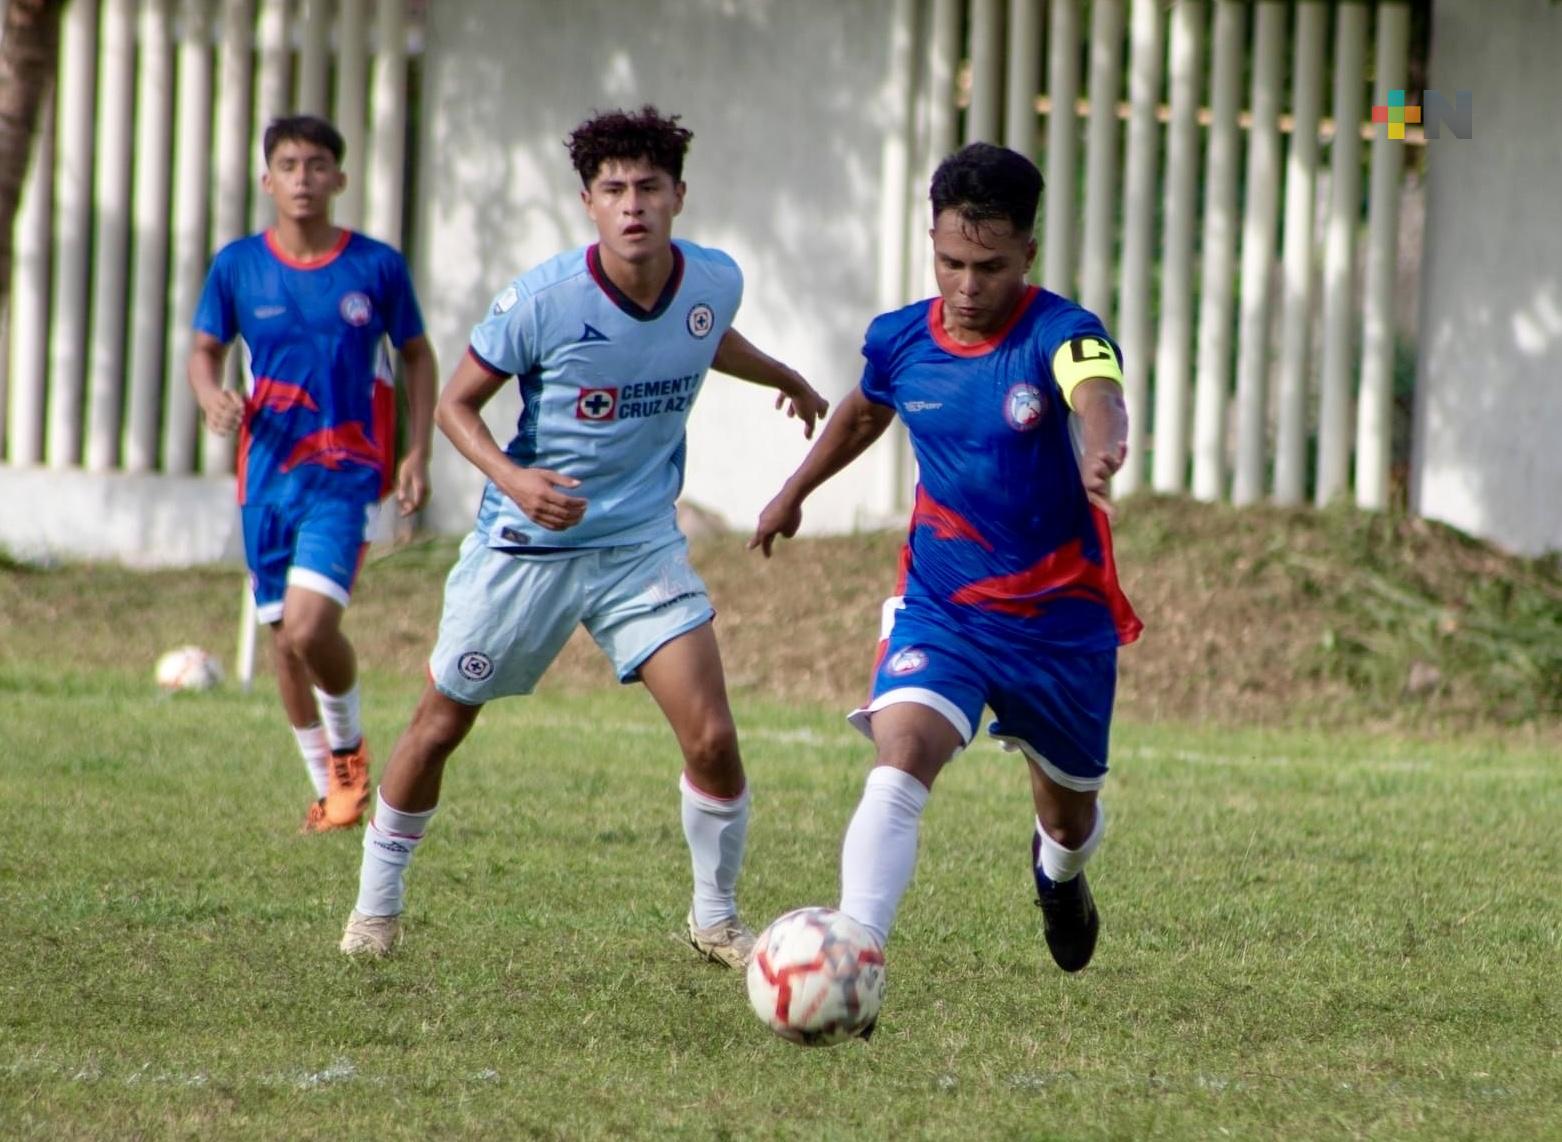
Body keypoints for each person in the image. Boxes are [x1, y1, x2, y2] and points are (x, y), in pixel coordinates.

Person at [339, 106, 829, 964]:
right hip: (524, 549)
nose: (632, 204)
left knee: (713, 737)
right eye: (614, 190)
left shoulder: (715, 280)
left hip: (638, 543)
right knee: (440, 725)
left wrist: (781, 375)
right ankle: (375, 910)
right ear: (588, 203)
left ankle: (714, 920)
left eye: (648, 187)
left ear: (679, 195)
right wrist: (515, 480)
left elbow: (703, 337)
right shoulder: (541, 302)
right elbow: (454, 406)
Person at [750, 142, 1142, 993]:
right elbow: (862, 412)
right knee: (901, 754)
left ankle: (1061, 877)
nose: (967, 285)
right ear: (931, 243)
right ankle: (854, 957)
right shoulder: (900, 340)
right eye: (950, 261)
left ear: (1027, 256)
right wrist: (793, 490)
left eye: (990, 266)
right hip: (945, 605)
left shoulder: (1062, 332)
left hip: (1059, 621)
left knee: (1067, 817)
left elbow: (1097, 392)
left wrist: (1104, 446)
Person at [188, 115, 438, 834]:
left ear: (340, 179)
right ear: (268, 181)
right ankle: (332, 792)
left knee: (308, 626)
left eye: (317, 164)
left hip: (347, 474)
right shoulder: (238, 266)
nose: (303, 177)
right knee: (282, 642)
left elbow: (416, 356)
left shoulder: (376, 267)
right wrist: (212, 397)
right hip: (265, 478)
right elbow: (205, 350)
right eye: (289, 165)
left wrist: (416, 452)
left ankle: (351, 758)